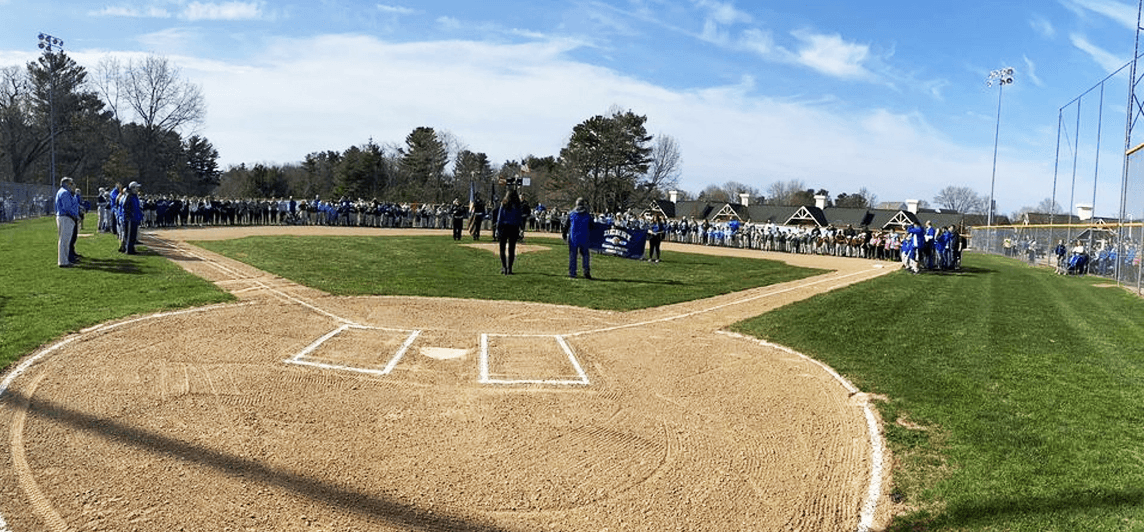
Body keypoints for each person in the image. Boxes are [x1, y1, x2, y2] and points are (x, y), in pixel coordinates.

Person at [495, 190, 524, 275]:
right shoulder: (518, 205)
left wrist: (497, 228)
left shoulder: (503, 204)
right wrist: (521, 228)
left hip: (504, 227)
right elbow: (519, 218)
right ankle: (510, 268)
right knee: (512, 249)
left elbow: (500, 217)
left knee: (502, 248)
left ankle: (504, 267)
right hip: (514, 228)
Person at [54, 177, 80, 268]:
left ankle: (65, 260)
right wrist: (75, 215)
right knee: (64, 241)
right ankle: (63, 262)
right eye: (70, 183)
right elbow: (67, 207)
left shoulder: (63, 192)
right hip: (66, 217)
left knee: (65, 240)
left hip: (64, 217)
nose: (72, 185)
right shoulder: (64, 193)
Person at [566, 197, 593, 279]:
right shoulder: (587, 215)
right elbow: (592, 226)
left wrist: (564, 234)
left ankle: (572, 273)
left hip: (573, 238)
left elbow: (566, 225)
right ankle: (586, 272)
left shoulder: (571, 214)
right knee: (585, 255)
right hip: (584, 237)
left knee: (573, 255)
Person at [118, 181, 143, 254]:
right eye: (137, 188)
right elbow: (126, 207)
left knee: (133, 235)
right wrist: (129, 216)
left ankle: (131, 248)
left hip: (134, 218)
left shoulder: (134, 196)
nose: (138, 189)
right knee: (129, 235)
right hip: (130, 219)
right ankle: (128, 249)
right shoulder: (129, 196)